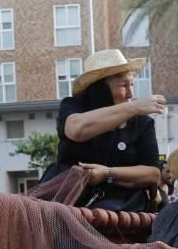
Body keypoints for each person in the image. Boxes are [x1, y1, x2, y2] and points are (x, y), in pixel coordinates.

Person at [42, 49, 165, 211]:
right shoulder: (73, 106)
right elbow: (76, 130)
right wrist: (133, 107)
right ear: (101, 88)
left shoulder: (142, 123)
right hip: (67, 196)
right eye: (123, 86)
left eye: (132, 84)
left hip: (120, 203)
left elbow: (153, 174)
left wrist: (108, 173)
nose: (130, 94)